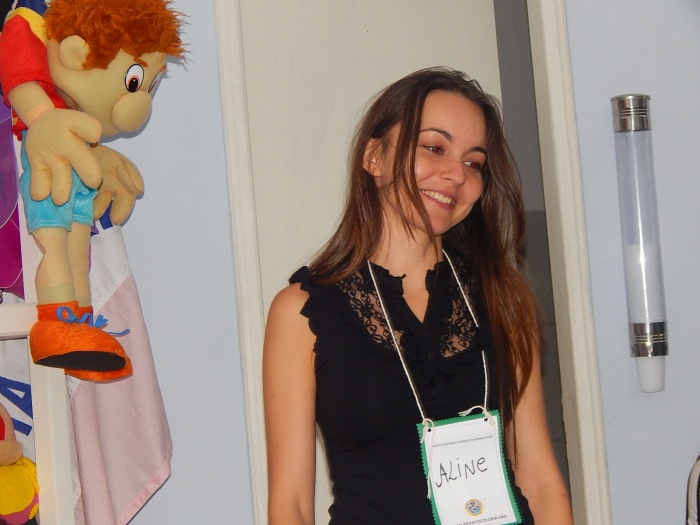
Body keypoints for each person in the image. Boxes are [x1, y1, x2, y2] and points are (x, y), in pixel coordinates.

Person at [263, 67, 573, 525]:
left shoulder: (503, 296)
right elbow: (289, 504)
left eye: (474, 163)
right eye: (434, 148)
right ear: (375, 157)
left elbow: (541, 479)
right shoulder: (302, 312)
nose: (456, 174)